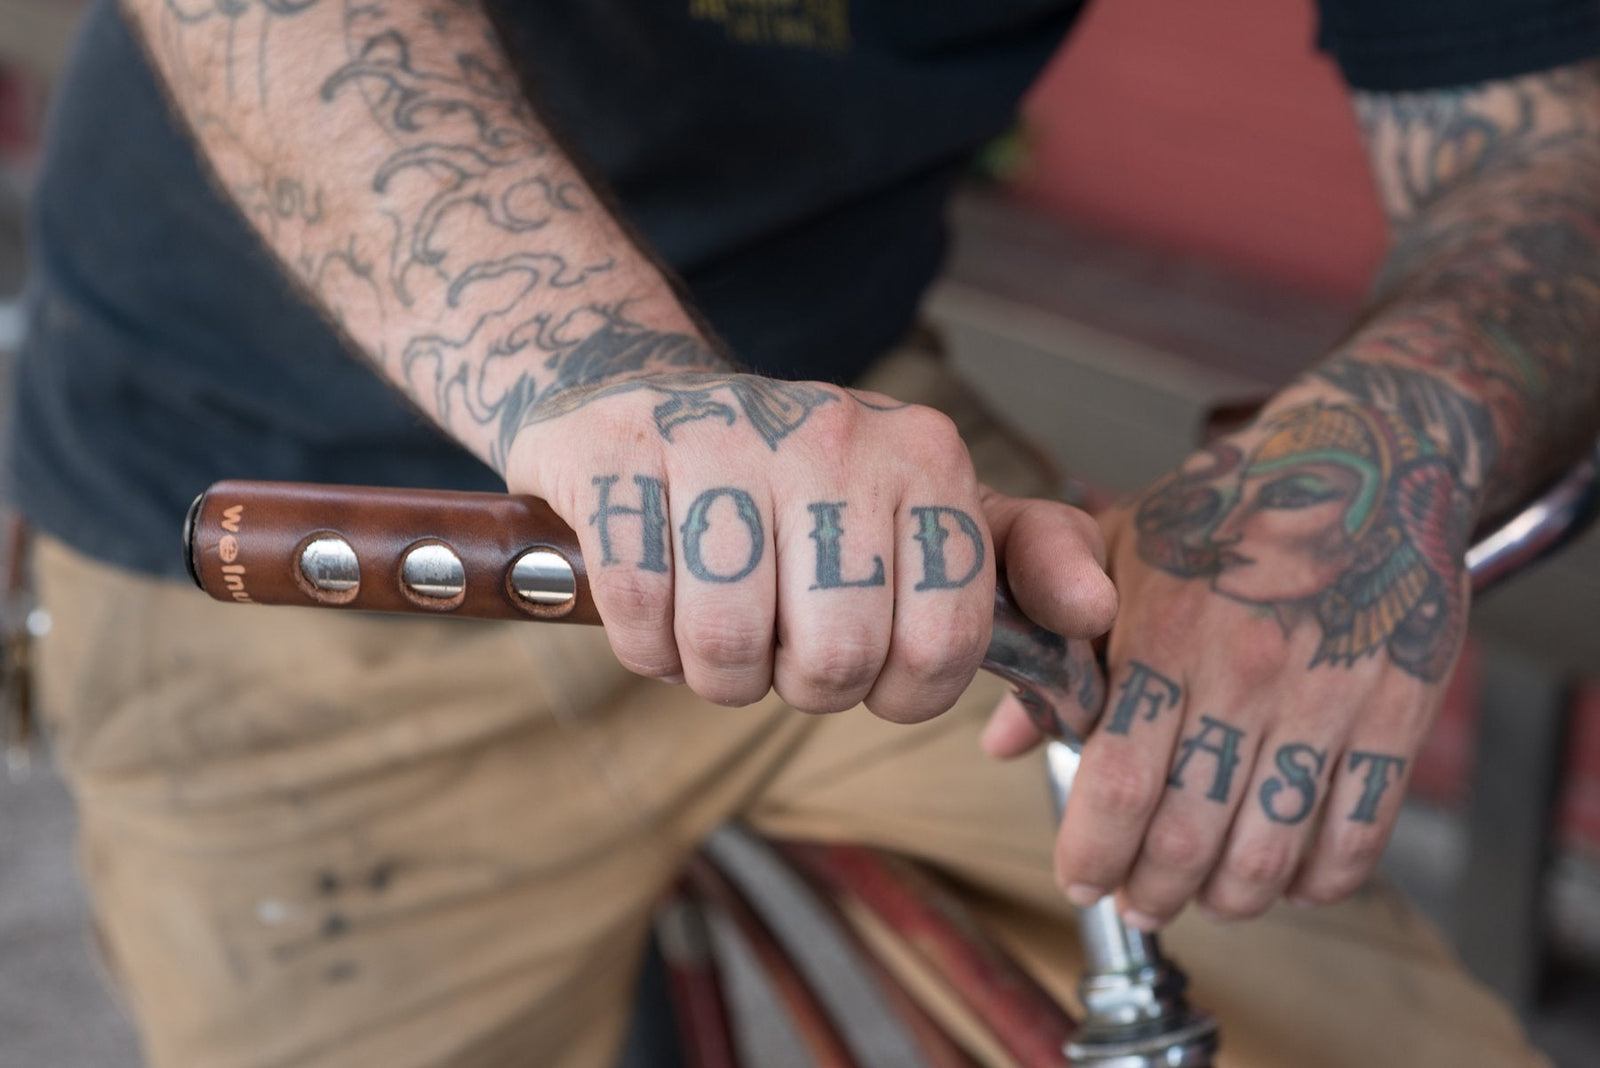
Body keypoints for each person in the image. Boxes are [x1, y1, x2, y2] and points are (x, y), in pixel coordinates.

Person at [6, 1, 1598, 1065]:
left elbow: (1542, 137)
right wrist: (605, 380)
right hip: (275, 501)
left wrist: (1372, 459)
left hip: (875, 469)